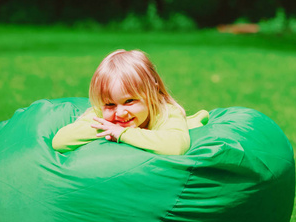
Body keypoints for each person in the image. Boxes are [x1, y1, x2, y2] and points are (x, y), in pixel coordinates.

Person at [52, 49, 208, 155]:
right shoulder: (101, 115)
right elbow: (60, 142)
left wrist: (122, 133)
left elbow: (176, 146)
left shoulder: (165, 113)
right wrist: (106, 129)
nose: (119, 113)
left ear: (151, 92)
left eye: (129, 101)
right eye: (110, 104)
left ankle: (194, 121)